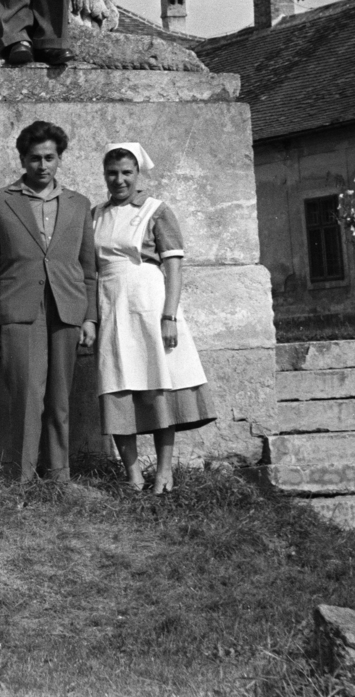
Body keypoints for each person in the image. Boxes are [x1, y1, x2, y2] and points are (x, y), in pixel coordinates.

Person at [0, 120, 98, 484]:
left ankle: (59, 476)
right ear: (22, 160)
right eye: (34, 159)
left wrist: (90, 318)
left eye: (49, 158)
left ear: (60, 158)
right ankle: (21, 477)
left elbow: (89, 268)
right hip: (19, 309)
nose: (42, 166)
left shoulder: (79, 204)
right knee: (27, 396)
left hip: (67, 308)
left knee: (61, 398)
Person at [92, 143, 216, 494]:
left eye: (126, 173)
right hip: (109, 301)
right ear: (105, 175)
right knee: (115, 384)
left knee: (157, 382)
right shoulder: (96, 214)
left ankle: (164, 471)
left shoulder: (156, 211)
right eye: (112, 173)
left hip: (149, 300)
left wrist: (169, 315)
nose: (119, 180)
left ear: (138, 174)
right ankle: (132, 475)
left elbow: (173, 267)